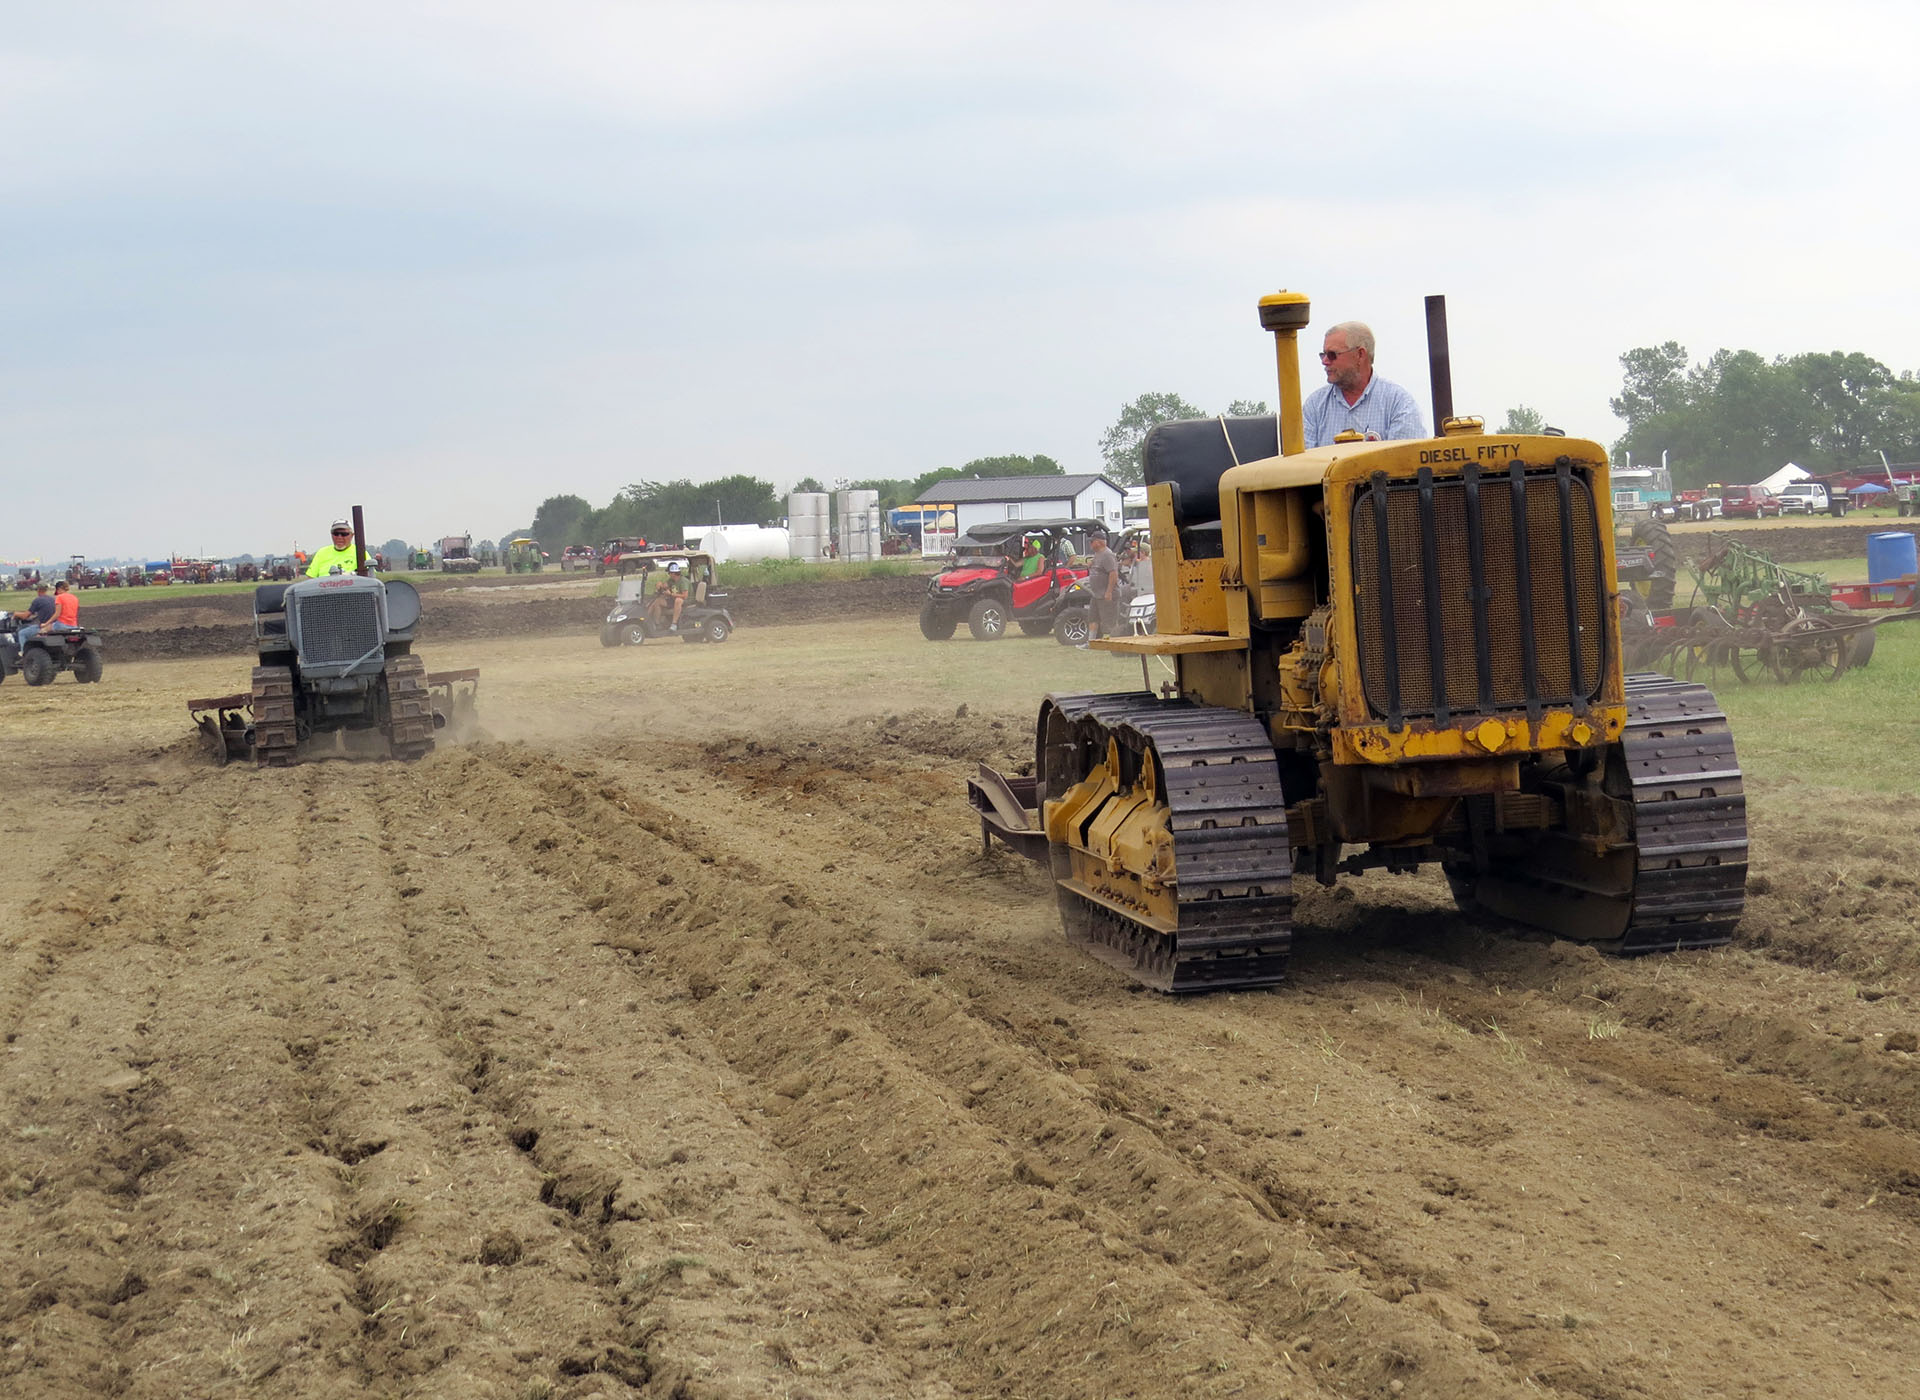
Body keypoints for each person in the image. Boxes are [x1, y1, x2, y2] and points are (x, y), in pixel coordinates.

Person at [1302, 321, 1425, 449]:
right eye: (1323, 355)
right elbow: (1302, 464)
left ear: (1360, 354)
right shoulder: (1314, 406)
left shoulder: (1399, 403)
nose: (1324, 361)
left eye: (1332, 355)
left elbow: (1406, 462)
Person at [1085, 531, 1121, 643]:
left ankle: (1114, 642)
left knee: (1109, 621)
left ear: (1099, 542)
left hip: (1107, 594)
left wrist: (1109, 592)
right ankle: (1091, 642)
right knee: (1092, 618)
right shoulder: (1098, 554)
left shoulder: (1107, 554)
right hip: (1096, 594)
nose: (1090, 544)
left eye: (1092, 542)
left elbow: (1113, 573)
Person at [645, 560, 689, 632]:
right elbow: (665, 585)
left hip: (685, 601)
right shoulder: (671, 580)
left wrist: (671, 594)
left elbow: (685, 596)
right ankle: (656, 624)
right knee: (658, 601)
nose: (669, 574)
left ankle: (674, 624)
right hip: (673, 599)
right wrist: (660, 585)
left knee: (678, 600)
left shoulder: (683, 581)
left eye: (669, 573)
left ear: (673, 573)